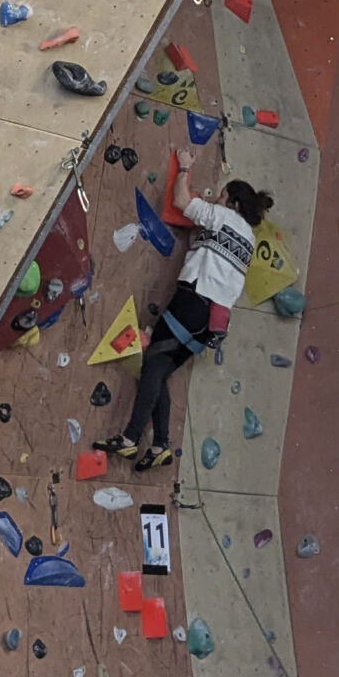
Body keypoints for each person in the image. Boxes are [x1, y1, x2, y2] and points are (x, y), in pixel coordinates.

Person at [96, 153, 265, 470]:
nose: (217, 200)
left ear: (234, 203)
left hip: (192, 302)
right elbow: (210, 250)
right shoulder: (249, 240)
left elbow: (181, 200)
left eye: (222, 196)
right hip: (211, 323)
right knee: (158, 371)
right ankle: (160, 445)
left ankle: (130, 439)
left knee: (152, 364)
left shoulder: (223, 217)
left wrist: (185, 166)